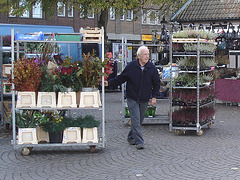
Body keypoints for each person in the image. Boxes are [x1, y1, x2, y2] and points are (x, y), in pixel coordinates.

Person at [105, 45, 160, 150]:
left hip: (144, 98)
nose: (147, 56)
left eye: (148, 54)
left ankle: (131, 137)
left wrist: (154, 97)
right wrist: (109, 83)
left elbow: (156, 83)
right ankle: (139, 142)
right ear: (138, 56)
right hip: (132, 97)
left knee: (139, 120)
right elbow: (121, 78)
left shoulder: (151, 68)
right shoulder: (131, 66)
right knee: (135, 119)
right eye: (145, 54)